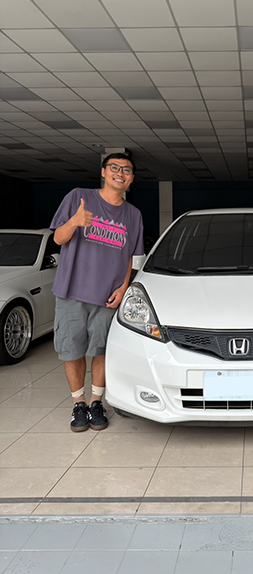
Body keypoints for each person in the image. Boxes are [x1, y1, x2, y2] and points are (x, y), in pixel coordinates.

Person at [51, 153, 144, 432]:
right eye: (114, 167)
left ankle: (96, 402)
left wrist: (124, 287)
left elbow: (130, 256)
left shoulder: (133, 214)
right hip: (72, 291)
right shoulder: (78, 197)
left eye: (126, 170)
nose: (120, 173)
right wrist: (74, 222)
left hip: (108, 296)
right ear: (103, 172)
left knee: (101, 350)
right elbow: (58, 238)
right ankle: (78, 403)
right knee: (72, 350)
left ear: (131, 178)